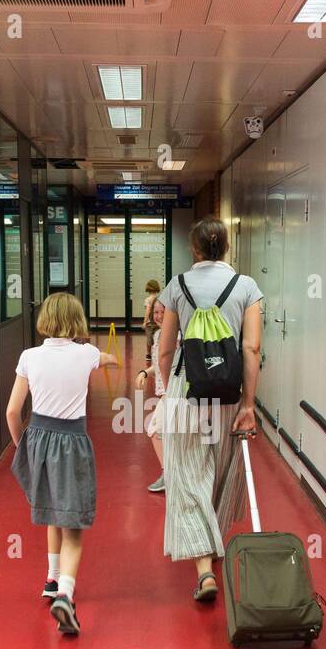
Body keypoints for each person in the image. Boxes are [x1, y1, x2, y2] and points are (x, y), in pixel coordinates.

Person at [155, 217, 263, 601]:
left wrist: (171, 391)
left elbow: (166, 349)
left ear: (194, 249)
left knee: (187, 477)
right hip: (228, 395)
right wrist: (249, 403)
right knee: (218, 476)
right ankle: (210, 549)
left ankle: (204, 569)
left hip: (187, 393)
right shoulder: (247, 287)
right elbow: (250, 349)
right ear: (227, 248)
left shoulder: (177, 286)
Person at [7, 292, 119, 636]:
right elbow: (110, 358)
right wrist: (109, 359)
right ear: (77, 322)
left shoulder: (29, 356)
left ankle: (52, 579)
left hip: (38, 438)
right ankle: (66, 597)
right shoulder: (85, 354)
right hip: (71, 443)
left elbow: (13, 411)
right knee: (73, 525)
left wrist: (21, 447)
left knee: (52, 512)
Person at [135, 294, 176, 493]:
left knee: (154, 430)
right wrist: (145, 371)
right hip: (164, 393)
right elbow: (158, 366)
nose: (159, 316)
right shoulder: (159, 335)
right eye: (156, 313)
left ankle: (169, 475)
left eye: (163, 312)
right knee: (166, 433)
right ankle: (171, 475)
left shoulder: (177, 335)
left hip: (173, 393)